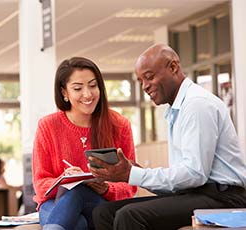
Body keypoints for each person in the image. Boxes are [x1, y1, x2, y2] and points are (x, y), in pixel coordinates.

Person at [89, 44, 246, 230]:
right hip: (195, 193)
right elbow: (183, 181)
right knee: (104, 212)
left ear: (173, 67)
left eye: (149, 77)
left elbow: (195, 174)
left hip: (224, 198)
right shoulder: (176, 109)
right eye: (140, 81)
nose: (145, 86)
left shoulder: (196, 105)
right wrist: (132, 173)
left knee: (130, 215)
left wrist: (133, 174)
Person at [32, 57, 137, 230]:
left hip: (99, 204)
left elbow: (130, 185)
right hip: (55, 203)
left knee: (78, 192)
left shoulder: (119, 125)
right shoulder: (48, 126)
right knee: (77, 223)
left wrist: (105, 188)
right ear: (64, 92)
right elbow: (40, 184)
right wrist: (63, 180)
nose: (87, 94)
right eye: (78, 88)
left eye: (93, 85)